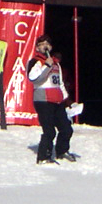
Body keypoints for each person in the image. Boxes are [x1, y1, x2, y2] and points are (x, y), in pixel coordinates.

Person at [27, 34, 75, 164]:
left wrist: (66, 99)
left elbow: (60, 83)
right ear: (37, 47)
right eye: (42, 44)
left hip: (57, 100)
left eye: (47, 44)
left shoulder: (56, 64)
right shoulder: (35, 61)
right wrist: (46, 66)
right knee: (49, 131)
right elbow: (35, 79)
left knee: (66, 128)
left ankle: (62, 151)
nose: (45, 46)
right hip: (43, 100)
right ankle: (43, 156)